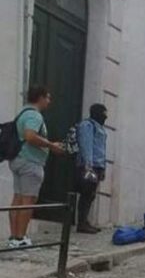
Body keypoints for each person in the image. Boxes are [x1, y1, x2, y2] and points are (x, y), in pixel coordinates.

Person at [7, 85, 64, 248]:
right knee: (28, 200)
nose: (49, 101)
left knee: (17, 199)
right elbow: (30, 136)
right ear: (40, 97)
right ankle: (21, 237)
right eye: (48, 97)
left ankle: (14, 236)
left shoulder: (22, 113)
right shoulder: (35, 116)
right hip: (30, 162)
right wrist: (51, 145)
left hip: (18, 159)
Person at [74, 103, 108, 234]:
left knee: (91, 194)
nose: (106, 117)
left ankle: (85, 220)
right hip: (89, 166)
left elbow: (101, 150)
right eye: (104, 114)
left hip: (97, 166)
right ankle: (81, 223)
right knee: (86, 193)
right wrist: (88, 165)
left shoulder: (100, 128)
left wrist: (103, 168)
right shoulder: (87, 125)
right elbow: (86, 145)